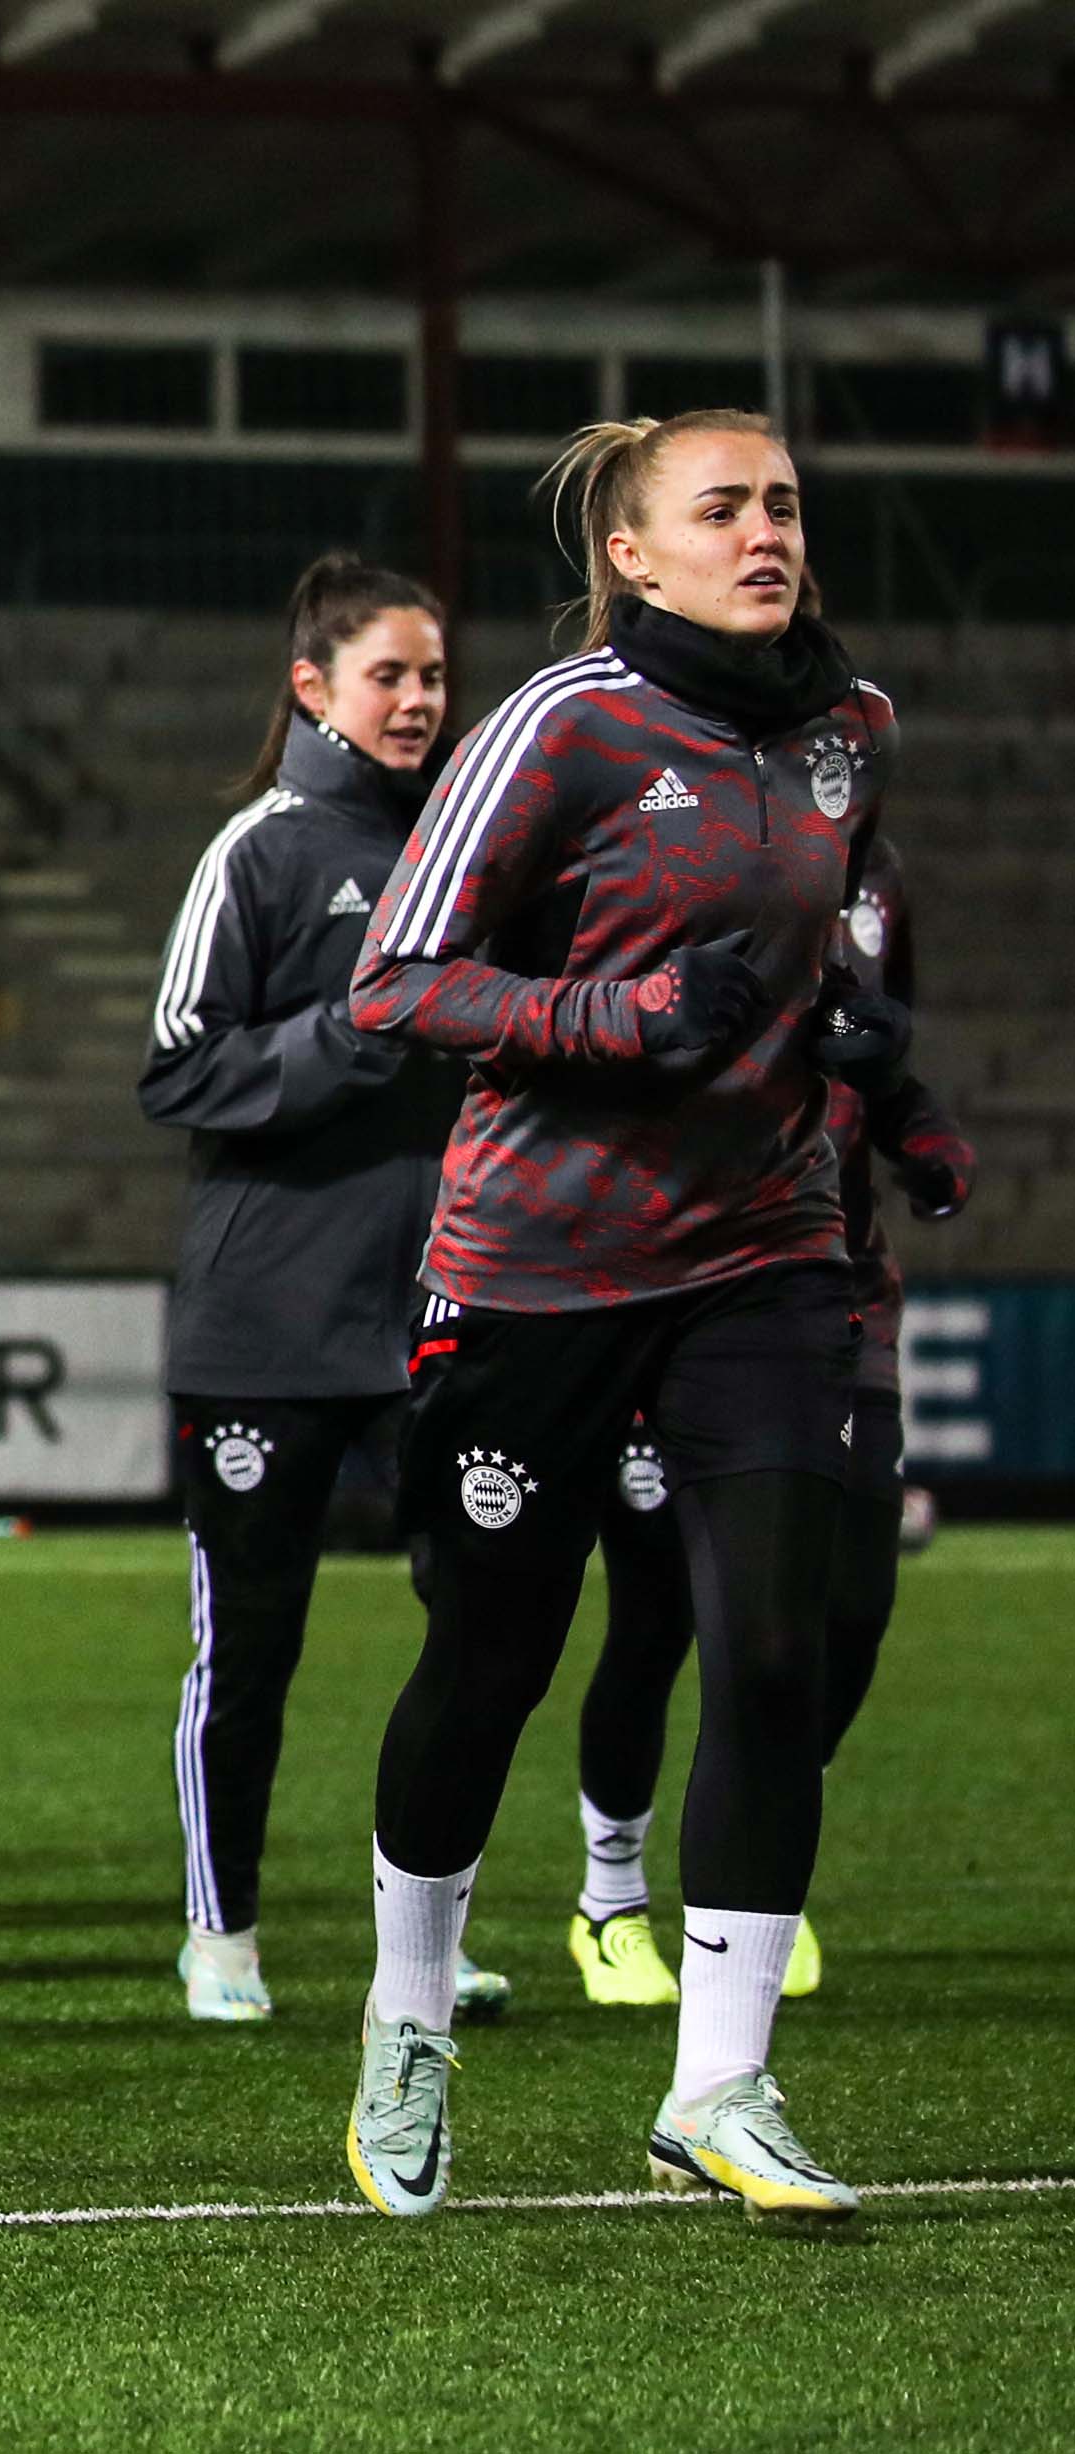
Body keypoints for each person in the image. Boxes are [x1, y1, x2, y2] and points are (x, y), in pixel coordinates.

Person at [338, 409, 903, 2229]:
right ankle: (406, 2014)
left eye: (784, 504)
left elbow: (840, 932)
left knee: (767, 1650)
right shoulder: (555, 724)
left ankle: (719, 2081)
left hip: (762, 1251)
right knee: (488, 1659)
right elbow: (395, 983)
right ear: (633, 554)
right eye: (722, 507)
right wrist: (622, 1018)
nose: (766, 532)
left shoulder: (847, 732)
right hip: (537, 1265)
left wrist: (888, 1077)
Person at [138, 553, 498, 2027]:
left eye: (430, 675)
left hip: (446, 1305)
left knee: (481, 1624)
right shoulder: (263, 849)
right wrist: (355, 1039)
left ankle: (425, 1937)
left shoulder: (477, 848)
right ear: (312, 687)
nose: (416, 701)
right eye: (386, 676)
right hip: (270, 1320)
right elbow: (175, 1064)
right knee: (254, 1639)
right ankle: (219, 1931)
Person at [561, 837, 975, 2008]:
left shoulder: (882, 877)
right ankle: (610, 1900)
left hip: (836, 1283)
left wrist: (912, 1110)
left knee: (845, 1606)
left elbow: (868, 1047)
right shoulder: (661, 833)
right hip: (669, 1279)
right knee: (655, 1619)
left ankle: (749, 1866)